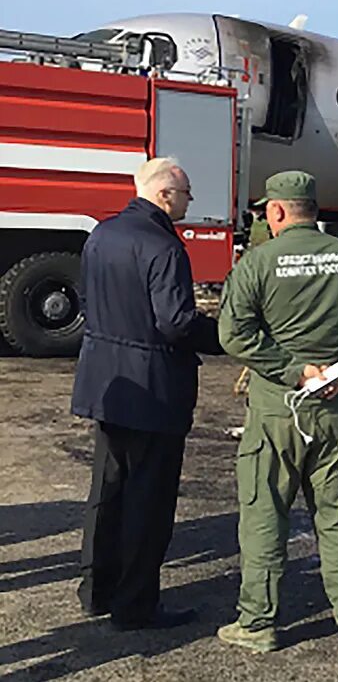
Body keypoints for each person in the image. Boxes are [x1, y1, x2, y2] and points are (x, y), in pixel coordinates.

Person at [216, 171, 338, 653]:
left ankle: (258, 623)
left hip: (278, 412)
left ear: (277, 211)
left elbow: (233, 335)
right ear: (313, 209)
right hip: (337, 409)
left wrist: (294, 371)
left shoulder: (257, 263)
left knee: (264, 514)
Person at [71, 157, 223, 630]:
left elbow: (88, 298)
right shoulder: (165, 247)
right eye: (186, 194)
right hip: (153, 391)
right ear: (164, 194)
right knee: (148, 500)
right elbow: (175, 323)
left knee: (107, 490)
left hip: (105, 383)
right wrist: (224, 336)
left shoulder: (102, 235)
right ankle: (135, 604)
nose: (189, 202)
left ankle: (96, 590)